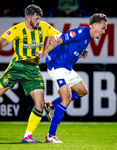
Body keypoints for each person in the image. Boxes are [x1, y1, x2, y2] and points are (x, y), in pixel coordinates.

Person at [0, 4, 60, 143]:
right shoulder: (17, 29)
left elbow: (60, 35)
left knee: (40, 104)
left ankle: (27, 136)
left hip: (33, 69)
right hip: (16, 67)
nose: (38, 21)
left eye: (39, 18)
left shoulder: (44, 27)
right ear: (28, 18)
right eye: (36, 19)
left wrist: (56, 38)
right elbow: (1, 44)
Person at [36, 13, 107, 143]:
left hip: (67, 68)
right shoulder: (81, 31)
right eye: (102, 28)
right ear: (94, 26)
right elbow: (57, 39)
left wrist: (82, 51)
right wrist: (42, 54)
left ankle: (51, 105)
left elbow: (71, 46)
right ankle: (50, 136)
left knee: (83, 91)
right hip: (57, 66)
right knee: (67, 98)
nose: (104, 31)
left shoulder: (87, 38)